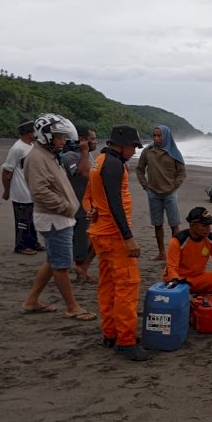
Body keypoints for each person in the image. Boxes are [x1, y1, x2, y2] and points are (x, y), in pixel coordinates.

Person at [84, 125, 150, 361]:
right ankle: (125, 341)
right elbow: (115, 204)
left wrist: (90, 211)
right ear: (122, 144)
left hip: (101, 234)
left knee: (109, 285)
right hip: (113, 236)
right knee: (127, 286)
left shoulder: (99, 161)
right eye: (133, 147)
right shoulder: (112, 165)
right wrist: (128, 237)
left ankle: (110, 333)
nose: (135, 151)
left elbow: (90, 196)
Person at [20, 113, 95, 320]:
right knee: (61, 265)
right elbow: (40, 192)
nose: (63, 141)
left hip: (58, 217)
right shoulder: (37, 158)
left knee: (52, 261)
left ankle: (31, 301)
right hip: (54, 219)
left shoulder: (46, 154)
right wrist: (66, 206)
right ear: (46, 136)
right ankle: (72, 307)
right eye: (59, 137)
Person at [135, 125, 186, 260]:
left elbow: (182, 172)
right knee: (157, 224)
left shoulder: (174, 152)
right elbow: (139, 169)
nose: (157, 138)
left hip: (170, 193)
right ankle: (162, 252)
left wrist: (175, 185)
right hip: (153, 193)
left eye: (159, 135)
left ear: (166, 136)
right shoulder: (147, 151)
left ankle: (176, 254)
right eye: (154, 136)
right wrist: (145, 185)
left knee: (174, 225)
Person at [163, 207, 212, 294]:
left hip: (198, 278)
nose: (208, 229)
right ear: (192, 225)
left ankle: (196, 293)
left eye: (209, 225)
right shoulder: (177, 241)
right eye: (204, 225)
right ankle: (188, 293)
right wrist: (180, 289)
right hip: (178, 279)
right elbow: (172, 269)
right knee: (176, 287)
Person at [60, 125, 98, 282]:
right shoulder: (69, 156)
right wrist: (84, 151)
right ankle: (78, 269)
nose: (96, 142)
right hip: (76, 204)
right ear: (82, 140)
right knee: (79, 240)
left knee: (91, 239)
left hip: (88, 203)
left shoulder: (88, 155)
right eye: (92, 139)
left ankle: (81, 268)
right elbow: (83, 173)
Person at [1, 119, 44, 255]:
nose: (36, 133)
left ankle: (33, 242)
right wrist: (6, 191)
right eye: (34, 131)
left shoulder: (32, 145)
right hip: (20, 191)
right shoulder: (17, 148)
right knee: (22, 220)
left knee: (32, 219)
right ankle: (21, 246)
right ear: (28, 132)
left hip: (31, 190)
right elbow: (7, 171)